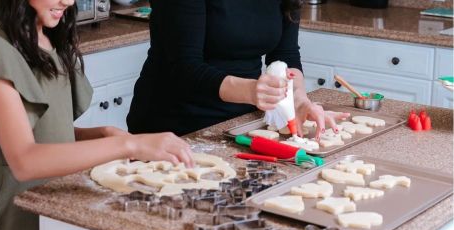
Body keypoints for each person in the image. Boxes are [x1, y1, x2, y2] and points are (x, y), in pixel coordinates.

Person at [0, 0, 193, 230]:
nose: (68, 1)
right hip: (18, 218)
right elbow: (25, 160)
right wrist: (128, 144)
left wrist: (102, 135)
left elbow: (48, 132)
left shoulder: (48, 39)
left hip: (59, 207)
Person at [127, 0, 349, 138]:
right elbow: (185, 67)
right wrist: (251, 91)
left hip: (240, 123)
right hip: (175, 124)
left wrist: (299, 100)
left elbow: (286, 55)